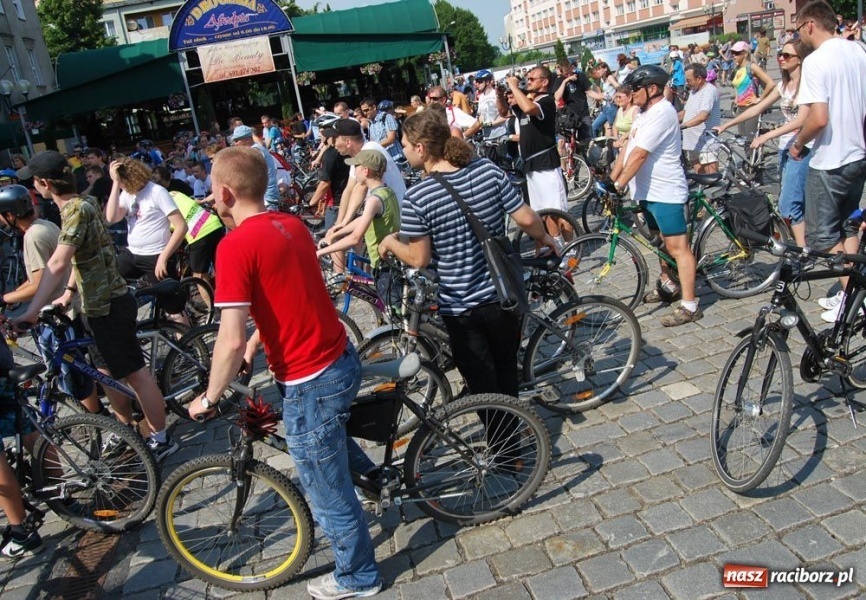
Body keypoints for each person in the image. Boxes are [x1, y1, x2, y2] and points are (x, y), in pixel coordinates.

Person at [187, 146, 382, 600]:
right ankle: (378, 479)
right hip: (338, 356)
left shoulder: (233, 246)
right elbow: (288, 295)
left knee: (324, 487)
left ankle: (358, 577)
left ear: (226, 193)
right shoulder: (290, 223)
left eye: (214, 194)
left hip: (310, 377)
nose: (213, 201)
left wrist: (209, 397)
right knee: (329, 439)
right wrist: (260, 341)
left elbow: (228, 338)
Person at [377, 109, 557, 402]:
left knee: (483, 388)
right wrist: (544, 237)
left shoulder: (417, 197)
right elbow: (525, 218)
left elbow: (419, 258)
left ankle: (502, 445)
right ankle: (517, 433)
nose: (405, 152)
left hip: (462, 306)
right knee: (506, 371)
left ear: (421, 149)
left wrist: (389, 242)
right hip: (502, 296)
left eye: (407, 147)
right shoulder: (486, 170)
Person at [14, 151, 178, 460]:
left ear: (45, 183)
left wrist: (32, 311)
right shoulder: (81, 204)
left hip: (110, 305)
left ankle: (161, 437)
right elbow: (84, 258)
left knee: (136, 375)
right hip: (93, 305)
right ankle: (126, 430)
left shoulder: (77, 209)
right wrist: (68, 293)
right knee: (106, 373)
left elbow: (59, 262)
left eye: (35, 183)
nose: (35, 190)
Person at [791, 0, 866, 322]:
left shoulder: (817, 61)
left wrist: (798, 142)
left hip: (830, 159)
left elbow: (818, 118)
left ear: (809, 25)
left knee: (824, 237)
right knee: (849, 225)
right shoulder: (858, 50)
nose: (798, 37)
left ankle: (857, 301)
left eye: (797, 29)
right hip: (858, 153)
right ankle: (850, 294)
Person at [610, 66, 701, 326]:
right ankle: (668, 284)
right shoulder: (643, 113)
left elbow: (640, 155)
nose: (630, 94)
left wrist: (619, 187)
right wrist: (610, 180)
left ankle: (690, 304)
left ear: (652, 89)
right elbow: (628, 149)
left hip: (666, 191)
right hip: (647, 192)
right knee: (659, 244)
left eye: (634, 89)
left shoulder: (662, 112)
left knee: (677, 248)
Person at [717, 39, 812, 247]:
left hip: (803, 147)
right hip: (785, 147)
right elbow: (756, 110)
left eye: (787, 55)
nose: (781, 59)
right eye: (781, 54)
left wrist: (766, 136)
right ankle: (803, 244)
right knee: (793, 198)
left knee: (788, 203)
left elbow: (801, 120)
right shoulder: (784, 84)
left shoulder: (808, 83)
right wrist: (727, 125)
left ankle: (803, 249)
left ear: (800, 59)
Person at [507, 66, 574, 248]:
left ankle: (571, 248)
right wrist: (505, 91)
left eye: (532, 79)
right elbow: (510, 108)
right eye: (527, 79)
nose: (527, 82)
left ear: (544, 82)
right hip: (532, 167)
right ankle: (550, 250)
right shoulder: (528, 101)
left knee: (558, 212)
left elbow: (528, 108)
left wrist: (514, 87)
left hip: (546, 166)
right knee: (541, 215)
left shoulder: (546, 101)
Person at [104, 157, 188, 285]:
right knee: (109, 279)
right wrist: (115, 184)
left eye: (122, 182)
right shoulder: (127, 193)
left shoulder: (157, 192)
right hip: (132, 252)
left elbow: (181, 226)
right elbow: (111, 217)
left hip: (156, 254)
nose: (121, 187)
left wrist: (163, 257)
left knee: (168, 299)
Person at [679, 63, 722, 174]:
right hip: (692, 141)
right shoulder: (693, 91)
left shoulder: (709, 91)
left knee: (711, 177)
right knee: (700, 176)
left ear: (699, 78)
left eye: (689, 80)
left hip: (706, 141)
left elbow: (703, 116)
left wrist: (682, 126)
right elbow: (685, 113)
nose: (687, 83)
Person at [229, 125, 281, 210]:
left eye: (237, 140)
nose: (236, 143)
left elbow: (248, 176)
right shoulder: (257, 149)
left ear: (247, 139)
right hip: (264, 198)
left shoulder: (255, 151)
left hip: (266, 200)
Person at [730, 40, 775, 136]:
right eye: (732, 53)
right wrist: (736, 97)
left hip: (751, 107)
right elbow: (736, 85)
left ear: (745, 54)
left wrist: (760, 99)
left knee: (750, 141)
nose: (734, 55)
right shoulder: (737, 69)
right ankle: (763, 133)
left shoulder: (752, 67)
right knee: (743, 138)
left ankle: (766, 134)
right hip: (740, 108)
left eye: (737, 53)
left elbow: (770, 83)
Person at [554, 58, 604, 142]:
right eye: (566, 74)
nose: (568, 75)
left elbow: (589, 91)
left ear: (571, 68)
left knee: (587, 140)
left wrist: (602, 96)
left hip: (583, 113)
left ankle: (585, 153)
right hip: (569, 116)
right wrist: (565, 81)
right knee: (565, 142)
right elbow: (557, 97)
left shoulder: (581, 76)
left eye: (569, 72)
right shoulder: (560, 80)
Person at [361, 98, 404, 162]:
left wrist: (374, 147)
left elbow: (391, 139)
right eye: (363, 111)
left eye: (366, 110)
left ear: (374, 107)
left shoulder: (386, 117)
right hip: (384, 161)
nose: (364, 113)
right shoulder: (370, 123)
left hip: (396, 159)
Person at [474, 70, 509, 141]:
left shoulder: (496, 94)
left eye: (480, 81)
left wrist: (490, 124)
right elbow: (480, 115)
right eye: (476, 81)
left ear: (487, 82)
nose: (477, 84)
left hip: (500, 134)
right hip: (487, 136)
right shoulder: (481, 97)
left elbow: (505, 116)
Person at [590, 62, 620, 137]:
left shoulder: (610, 77)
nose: (598, 71)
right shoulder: (603, 80)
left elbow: (618, 86)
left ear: (605, 69)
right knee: (593, 126)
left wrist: (616, 95)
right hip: (605, 108)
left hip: (611, 107)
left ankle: (615, 147)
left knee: (614, 129)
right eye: (597, 69)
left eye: (599, 69)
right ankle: (596, 146)